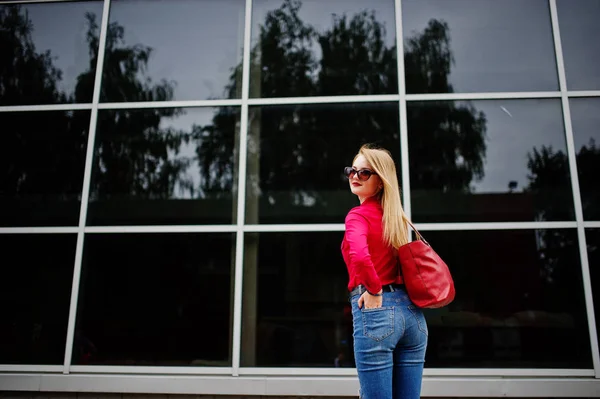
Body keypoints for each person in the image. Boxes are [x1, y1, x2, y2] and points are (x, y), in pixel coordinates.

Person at [341, 144, 428, 399]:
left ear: (381, 182)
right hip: (413, 317)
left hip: (378, 314)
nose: (355, 176)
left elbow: (359, 255)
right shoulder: (396, 218)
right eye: (351, 170)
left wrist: (375, 289)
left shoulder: (357, 216)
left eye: (365, 172)